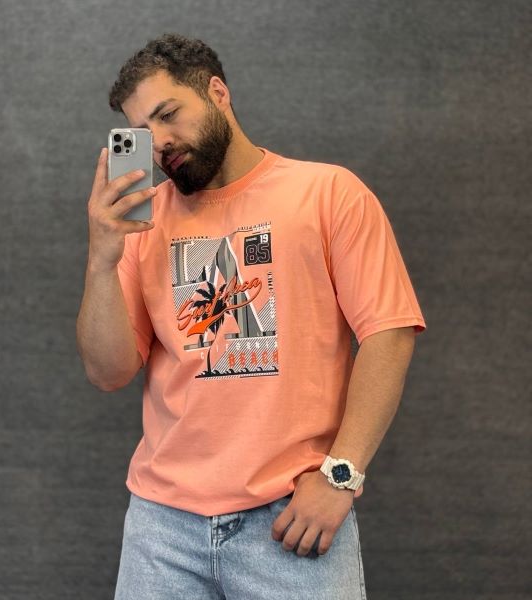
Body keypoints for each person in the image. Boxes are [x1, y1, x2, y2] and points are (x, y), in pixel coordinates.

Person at [76, 33, 426, 600]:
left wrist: (341, 476)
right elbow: (107, 371)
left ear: (217, 93)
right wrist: (100, 258)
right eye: (141, 133)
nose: (159, 143)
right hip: (162, 528)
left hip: (291, 521)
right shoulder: (141, 226)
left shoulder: (329, 194)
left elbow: (390, 333)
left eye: (168, 114)